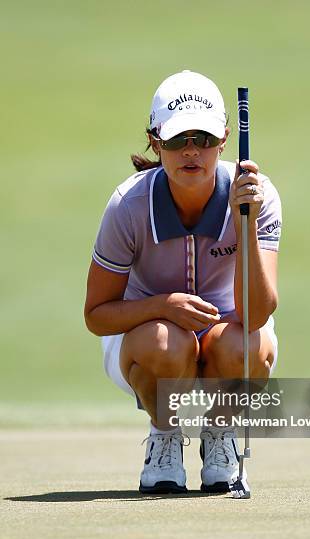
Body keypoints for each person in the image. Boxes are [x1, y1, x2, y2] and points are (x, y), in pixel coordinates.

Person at [84, 70, 282, 494]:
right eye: (177, 140)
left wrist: (244, 222)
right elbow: (97, 316)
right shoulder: (128, 206)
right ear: (156, 141)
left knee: (247, 346)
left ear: (225, 139)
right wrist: (162, 306)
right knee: (165, 341)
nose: (192, 152)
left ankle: (219, 434)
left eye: (205, 139)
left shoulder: (257, 194)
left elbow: (257, 314)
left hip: (230, 336)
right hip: (144, 345)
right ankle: (164, 434)